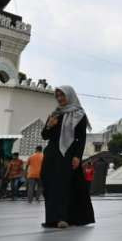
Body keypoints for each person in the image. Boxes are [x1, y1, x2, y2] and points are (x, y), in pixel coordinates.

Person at [40, 86, 95, 229]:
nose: (59, 99)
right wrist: (49, 126)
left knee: (64, 186)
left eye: (62, 96)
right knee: (50, 186)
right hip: (52, 154)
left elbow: (81, 137)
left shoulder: (79, 115)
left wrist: (77, 156)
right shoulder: (54, 114)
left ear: (69, 96)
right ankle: (52, 218)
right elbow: (44, 136)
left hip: (68, 155)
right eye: (57, 96)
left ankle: (63, 218)